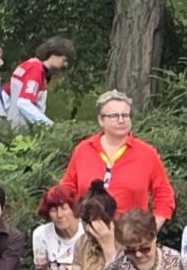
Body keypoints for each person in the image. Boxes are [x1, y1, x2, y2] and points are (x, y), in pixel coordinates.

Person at [61, 89, 175, 224]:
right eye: (114, 116)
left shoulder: (147, 153)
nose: (121, 120)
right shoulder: (83, 150)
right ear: (101, 120)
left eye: (125, 115)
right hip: (88, 230)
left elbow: (164, 196)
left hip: (131, 232)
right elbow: (66, 192)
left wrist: (150, 230)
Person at [5, 37, 74, 129]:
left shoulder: (28, 65)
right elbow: (24, 102)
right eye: (64, 60)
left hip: (15, 125)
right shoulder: (36, 70)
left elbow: (5, 94)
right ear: (54, 55)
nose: (65, 64)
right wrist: (48, 125)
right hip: (23, 128)